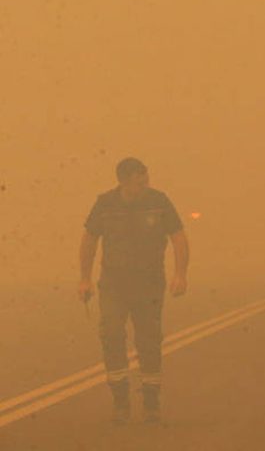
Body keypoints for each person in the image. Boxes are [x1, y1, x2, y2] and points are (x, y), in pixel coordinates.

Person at [78, 158, 189, 424]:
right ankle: (121, 401)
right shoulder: (105, 204)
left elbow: (179, 237)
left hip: (149, 283)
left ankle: (151, 401)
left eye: (146, 179)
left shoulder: (159, 201)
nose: (145, 185)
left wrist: (180, 274)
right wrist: (84, 279)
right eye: (140, 181)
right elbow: (89, 239)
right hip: (114, 284)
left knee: (149, 340)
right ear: (123, 180)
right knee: (112, 334)